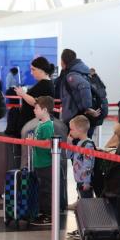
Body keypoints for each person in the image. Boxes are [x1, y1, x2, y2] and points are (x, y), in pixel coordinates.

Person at [57, 49, 100, 132]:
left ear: (63, 61)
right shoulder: (81, 71)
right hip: (79, 116)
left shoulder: (72, 75)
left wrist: (87, 107)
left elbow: (84, 86)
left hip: (76, 117)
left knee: (76, 143)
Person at [31, 96, 54, 226]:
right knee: (42, 189)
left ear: (44, 110)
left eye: (37, 108)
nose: (34, 110)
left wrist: (34, 142)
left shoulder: (47, 126)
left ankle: (48, 215)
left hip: (46, 164)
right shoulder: (41, 124)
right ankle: (43, 212)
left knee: (46, 190)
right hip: (39, 163)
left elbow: (47, 145)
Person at [68, 115, 95, 199]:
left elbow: (88, 165)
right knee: (81, 199)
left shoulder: (88, 145)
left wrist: (86, 182)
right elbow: (69, 156)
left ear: (79, 130)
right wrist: (69, 143)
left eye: (72, 129)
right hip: (79, 179)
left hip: (84, 180)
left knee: (86, 202)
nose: (70, 132)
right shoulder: (79, 143)